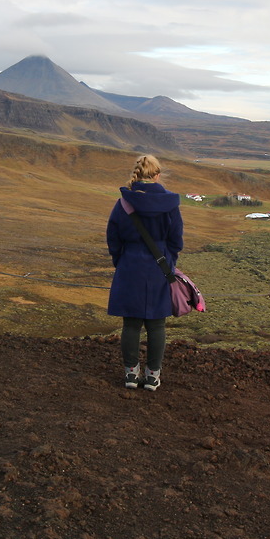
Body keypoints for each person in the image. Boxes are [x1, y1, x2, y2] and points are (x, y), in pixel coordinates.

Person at [106, 154, 184, 391]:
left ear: (137, 175)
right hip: (159, 267)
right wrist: (167, 261)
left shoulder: (123, 203)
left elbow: (113, 238)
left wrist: (122, 261)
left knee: (131, 324)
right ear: (157, 175)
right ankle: (152, 377)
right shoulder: (170, 204)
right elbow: (176, 240)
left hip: (130, 266)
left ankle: (131, 374)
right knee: (157, 324)